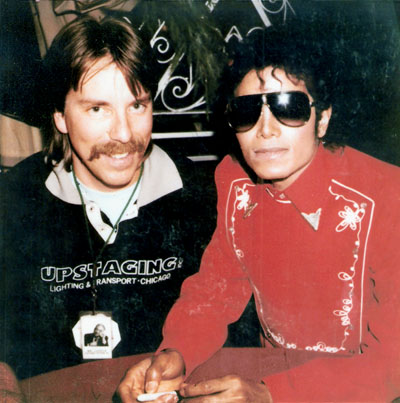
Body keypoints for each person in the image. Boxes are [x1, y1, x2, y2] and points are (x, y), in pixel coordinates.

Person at [117, 26, 400, 402]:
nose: (265, 130)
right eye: (247, 111)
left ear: (323, 119)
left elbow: (393, 362)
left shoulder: (386, 196)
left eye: (289, 108)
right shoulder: (236, 181)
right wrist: (177, 352)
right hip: (274, 378)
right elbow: (215, 292)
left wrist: (271, 395)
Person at [0, 16, 216, 381]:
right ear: (60, 116)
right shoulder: (15, 199)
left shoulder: (202, 196)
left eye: (137, 106)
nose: (124, 134)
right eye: (97, 109)